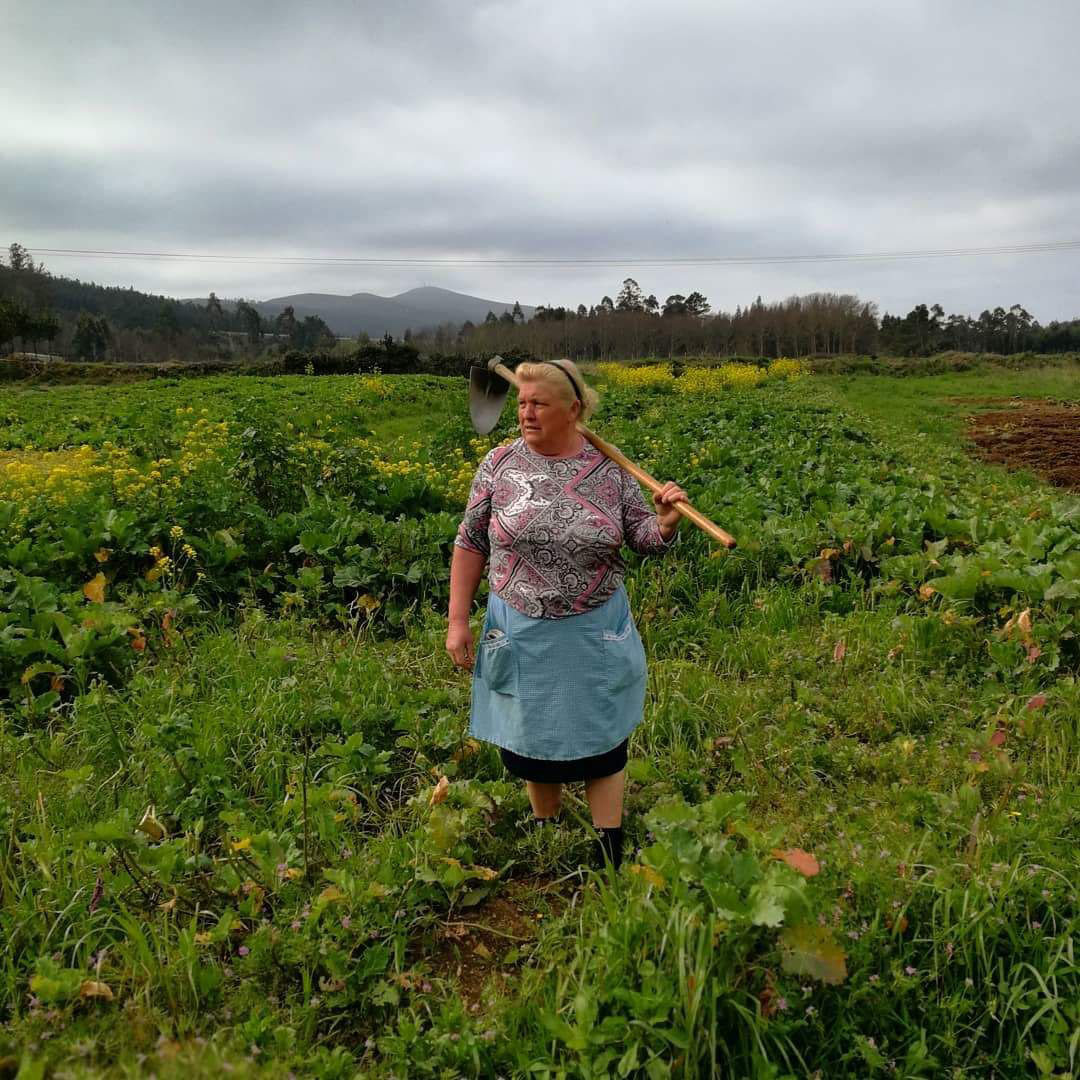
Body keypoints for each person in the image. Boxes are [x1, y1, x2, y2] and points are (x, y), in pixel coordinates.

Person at [445, 359, 686, 869]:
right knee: (531, 736)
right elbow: (470, 542)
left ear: (573, 410)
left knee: (602, 737)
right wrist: (457, 621)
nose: (526, 413)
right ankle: (545, 827)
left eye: (539, 404)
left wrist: (664, 524)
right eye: (522, 403)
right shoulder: (498, 465)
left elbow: (642, 537)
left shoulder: (612, 471)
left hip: (594, 627)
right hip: (520, 625)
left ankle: (608, 847)